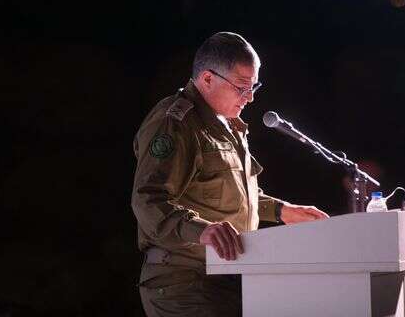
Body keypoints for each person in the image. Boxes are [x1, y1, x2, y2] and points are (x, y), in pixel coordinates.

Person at [132, 32, 329, 317]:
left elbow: (226, 192)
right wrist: (202, 230)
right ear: (207, 79)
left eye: (254, 86)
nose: (250, 97)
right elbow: (148, 200)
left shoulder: (227, 124)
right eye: (241, 87)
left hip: (225, 278)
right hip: (182, 283)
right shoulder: (175, 123)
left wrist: (281, 210)